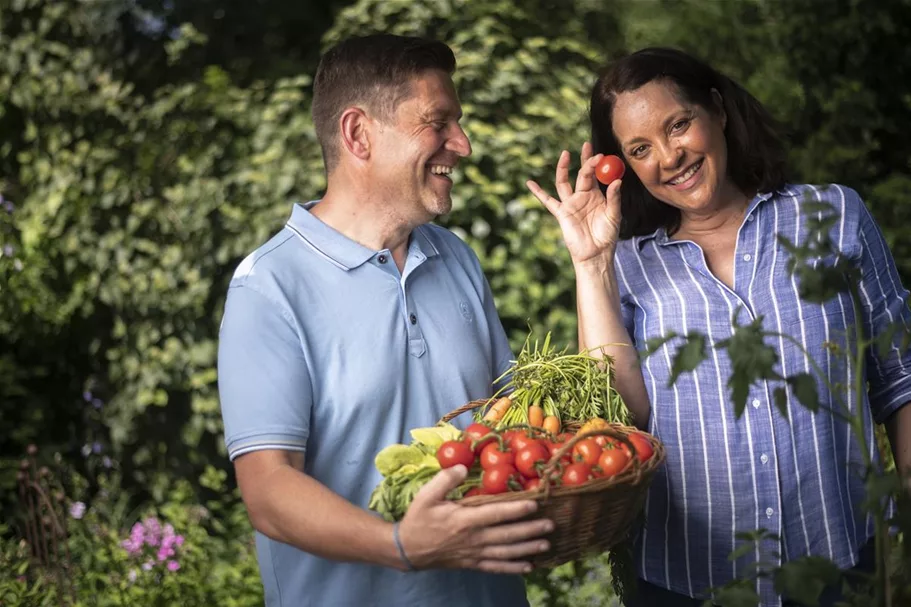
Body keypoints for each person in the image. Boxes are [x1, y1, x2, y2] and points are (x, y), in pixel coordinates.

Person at [526, 47, 911, 606]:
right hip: (685, 580)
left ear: (717, 110)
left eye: (678, 124)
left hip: (838, 563)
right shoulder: (629, 263)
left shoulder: (833, 217)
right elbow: (624, 415)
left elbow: (901, 374)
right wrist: (591, 264)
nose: (668, 157)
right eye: (640, 149)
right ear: (624, 167)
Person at [217, 34, 553, 607]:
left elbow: (514, 420)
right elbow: (269, 489)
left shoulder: (457, 259)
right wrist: (399, 544)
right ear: (358, 134)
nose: (462, 145)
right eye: (438, 122)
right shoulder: (268, 287)